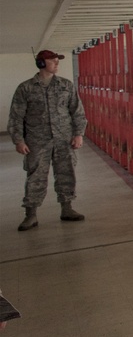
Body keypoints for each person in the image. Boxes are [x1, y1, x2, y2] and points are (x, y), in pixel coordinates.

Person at [8, 50, 88, 231]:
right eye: (53, 61)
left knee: (66, 174)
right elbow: (16, 116)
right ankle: (31, 215)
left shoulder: (66, 86)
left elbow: (77, 111)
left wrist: (78, 134)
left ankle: (67, 208)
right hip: (37, 140)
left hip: (64, 139)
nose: (56, 64)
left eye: (57, 61)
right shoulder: (25, 88)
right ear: (41, 64)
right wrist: (18, 140)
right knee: (35, 176)